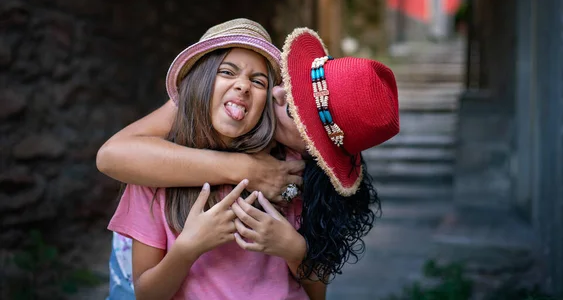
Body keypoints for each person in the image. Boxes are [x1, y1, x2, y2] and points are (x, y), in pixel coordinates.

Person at [98, 26, 400, 298]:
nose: (277, 94)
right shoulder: (198, 117)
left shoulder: (292, 174)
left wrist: (293, 248)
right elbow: (114, 155)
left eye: (296, 110)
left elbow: (316, 290)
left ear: (314, 150)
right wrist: (246, 170)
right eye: (289, 84)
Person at [106, 19, 310, 299]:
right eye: (227, 71)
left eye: (258, 81)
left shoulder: (283, 171)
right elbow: (146, 295)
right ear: (200, 83)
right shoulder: (153, 175)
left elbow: (317, 290)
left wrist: (294, 249)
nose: (243, 86)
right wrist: (188, 248)